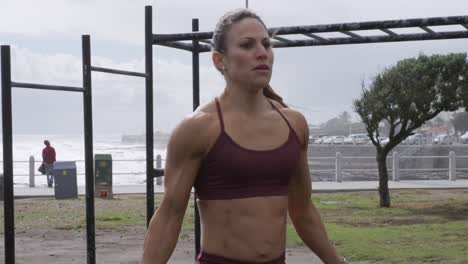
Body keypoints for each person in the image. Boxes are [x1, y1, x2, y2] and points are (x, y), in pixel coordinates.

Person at [141, 9, 348, 264]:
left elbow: (303, 210)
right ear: (219, 60)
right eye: (247, 45)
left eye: (266, 44)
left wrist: (339, 262)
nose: (262, 52)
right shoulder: (198, 128)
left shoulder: (294, 124)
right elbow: (169, 216)